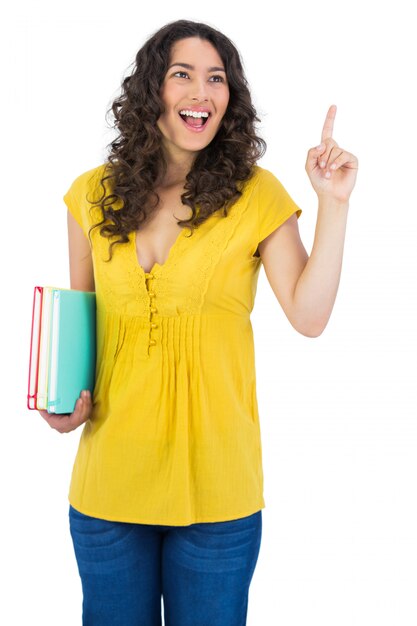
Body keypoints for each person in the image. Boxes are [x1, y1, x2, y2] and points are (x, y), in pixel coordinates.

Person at [38, 18, 358, 626]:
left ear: (230, 99)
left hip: (218, 490)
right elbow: (81, 321)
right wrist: (63, 403)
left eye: (217, 79)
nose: (201, 93)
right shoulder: (90, 196)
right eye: (182, 75)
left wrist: (333, 205)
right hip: (109, 485)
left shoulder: (257, 194)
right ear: (151, 88)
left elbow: (310, 316)